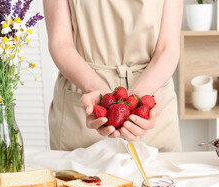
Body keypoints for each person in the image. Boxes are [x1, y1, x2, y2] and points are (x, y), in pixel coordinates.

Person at [43, 0, 183, 152]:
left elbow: (167, 48)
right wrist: (96, 88)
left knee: (158, 175)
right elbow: (60, 44)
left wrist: (141, 93)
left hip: (152, 96)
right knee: (80, 175)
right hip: (84, 104)